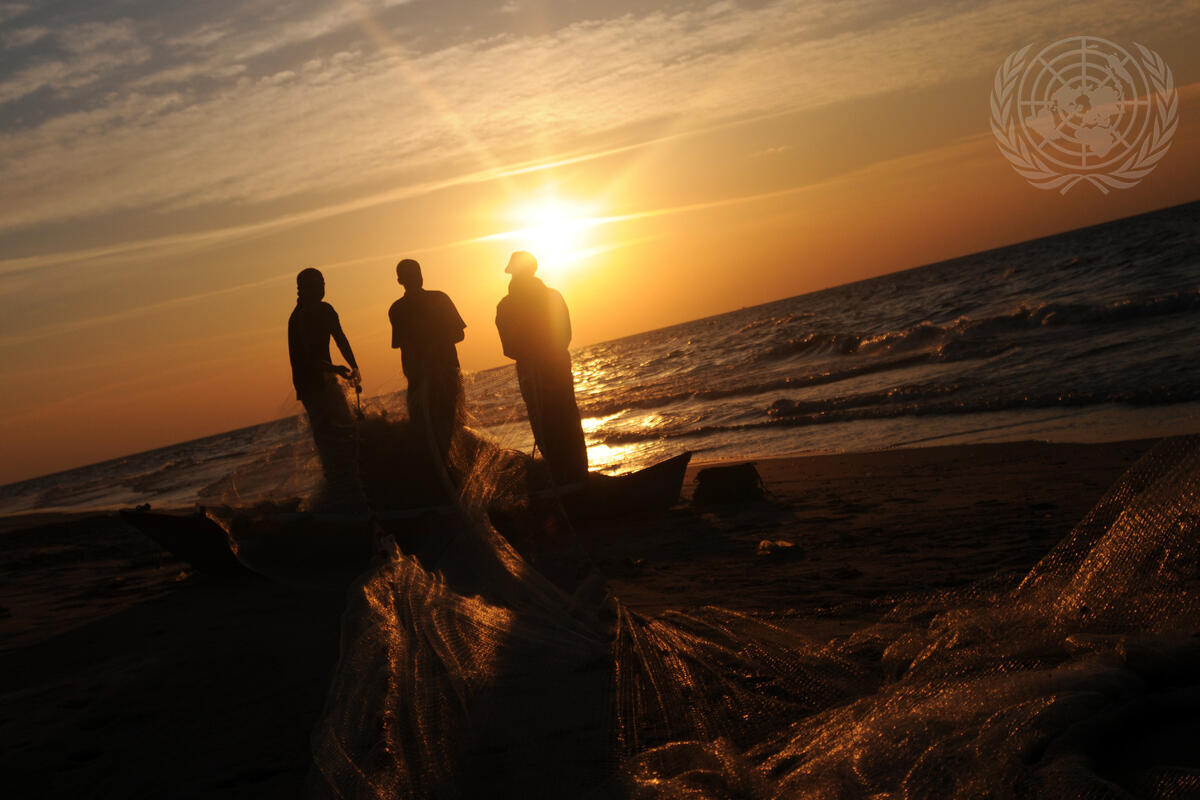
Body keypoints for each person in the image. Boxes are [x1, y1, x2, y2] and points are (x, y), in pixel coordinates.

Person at [495, 251, 588, 484]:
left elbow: (564, 335)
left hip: (552, 367)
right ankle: (564, 478)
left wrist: (542, 352)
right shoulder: (508, 306)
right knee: (549, 424)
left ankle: (577, 478)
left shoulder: (545, 298)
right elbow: (510, 346)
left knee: (564, 421)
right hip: (536, 370)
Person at [287, 267, 366, 508]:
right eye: (317, 283)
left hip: (328, 377)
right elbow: (308, 358)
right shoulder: (299, 317)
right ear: (303, 289)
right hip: (310, 383)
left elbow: (340, 338)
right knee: (327, 436)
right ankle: (338, 490)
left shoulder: (327, 309)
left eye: (323, 282)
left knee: (348, 428)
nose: (323, 287)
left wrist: (354, 366)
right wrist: (336, 369)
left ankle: (352, 484)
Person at [388, 258, 466, 466]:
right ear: (400, 280)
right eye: (413, 274)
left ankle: (446, 476)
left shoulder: (399, 308)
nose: (417, 278)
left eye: (417, 273)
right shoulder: (404, 308)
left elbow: (458, 334)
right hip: (429, 378)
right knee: (442, 431)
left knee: (441, 431)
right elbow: (458, 334)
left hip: (436, 376)